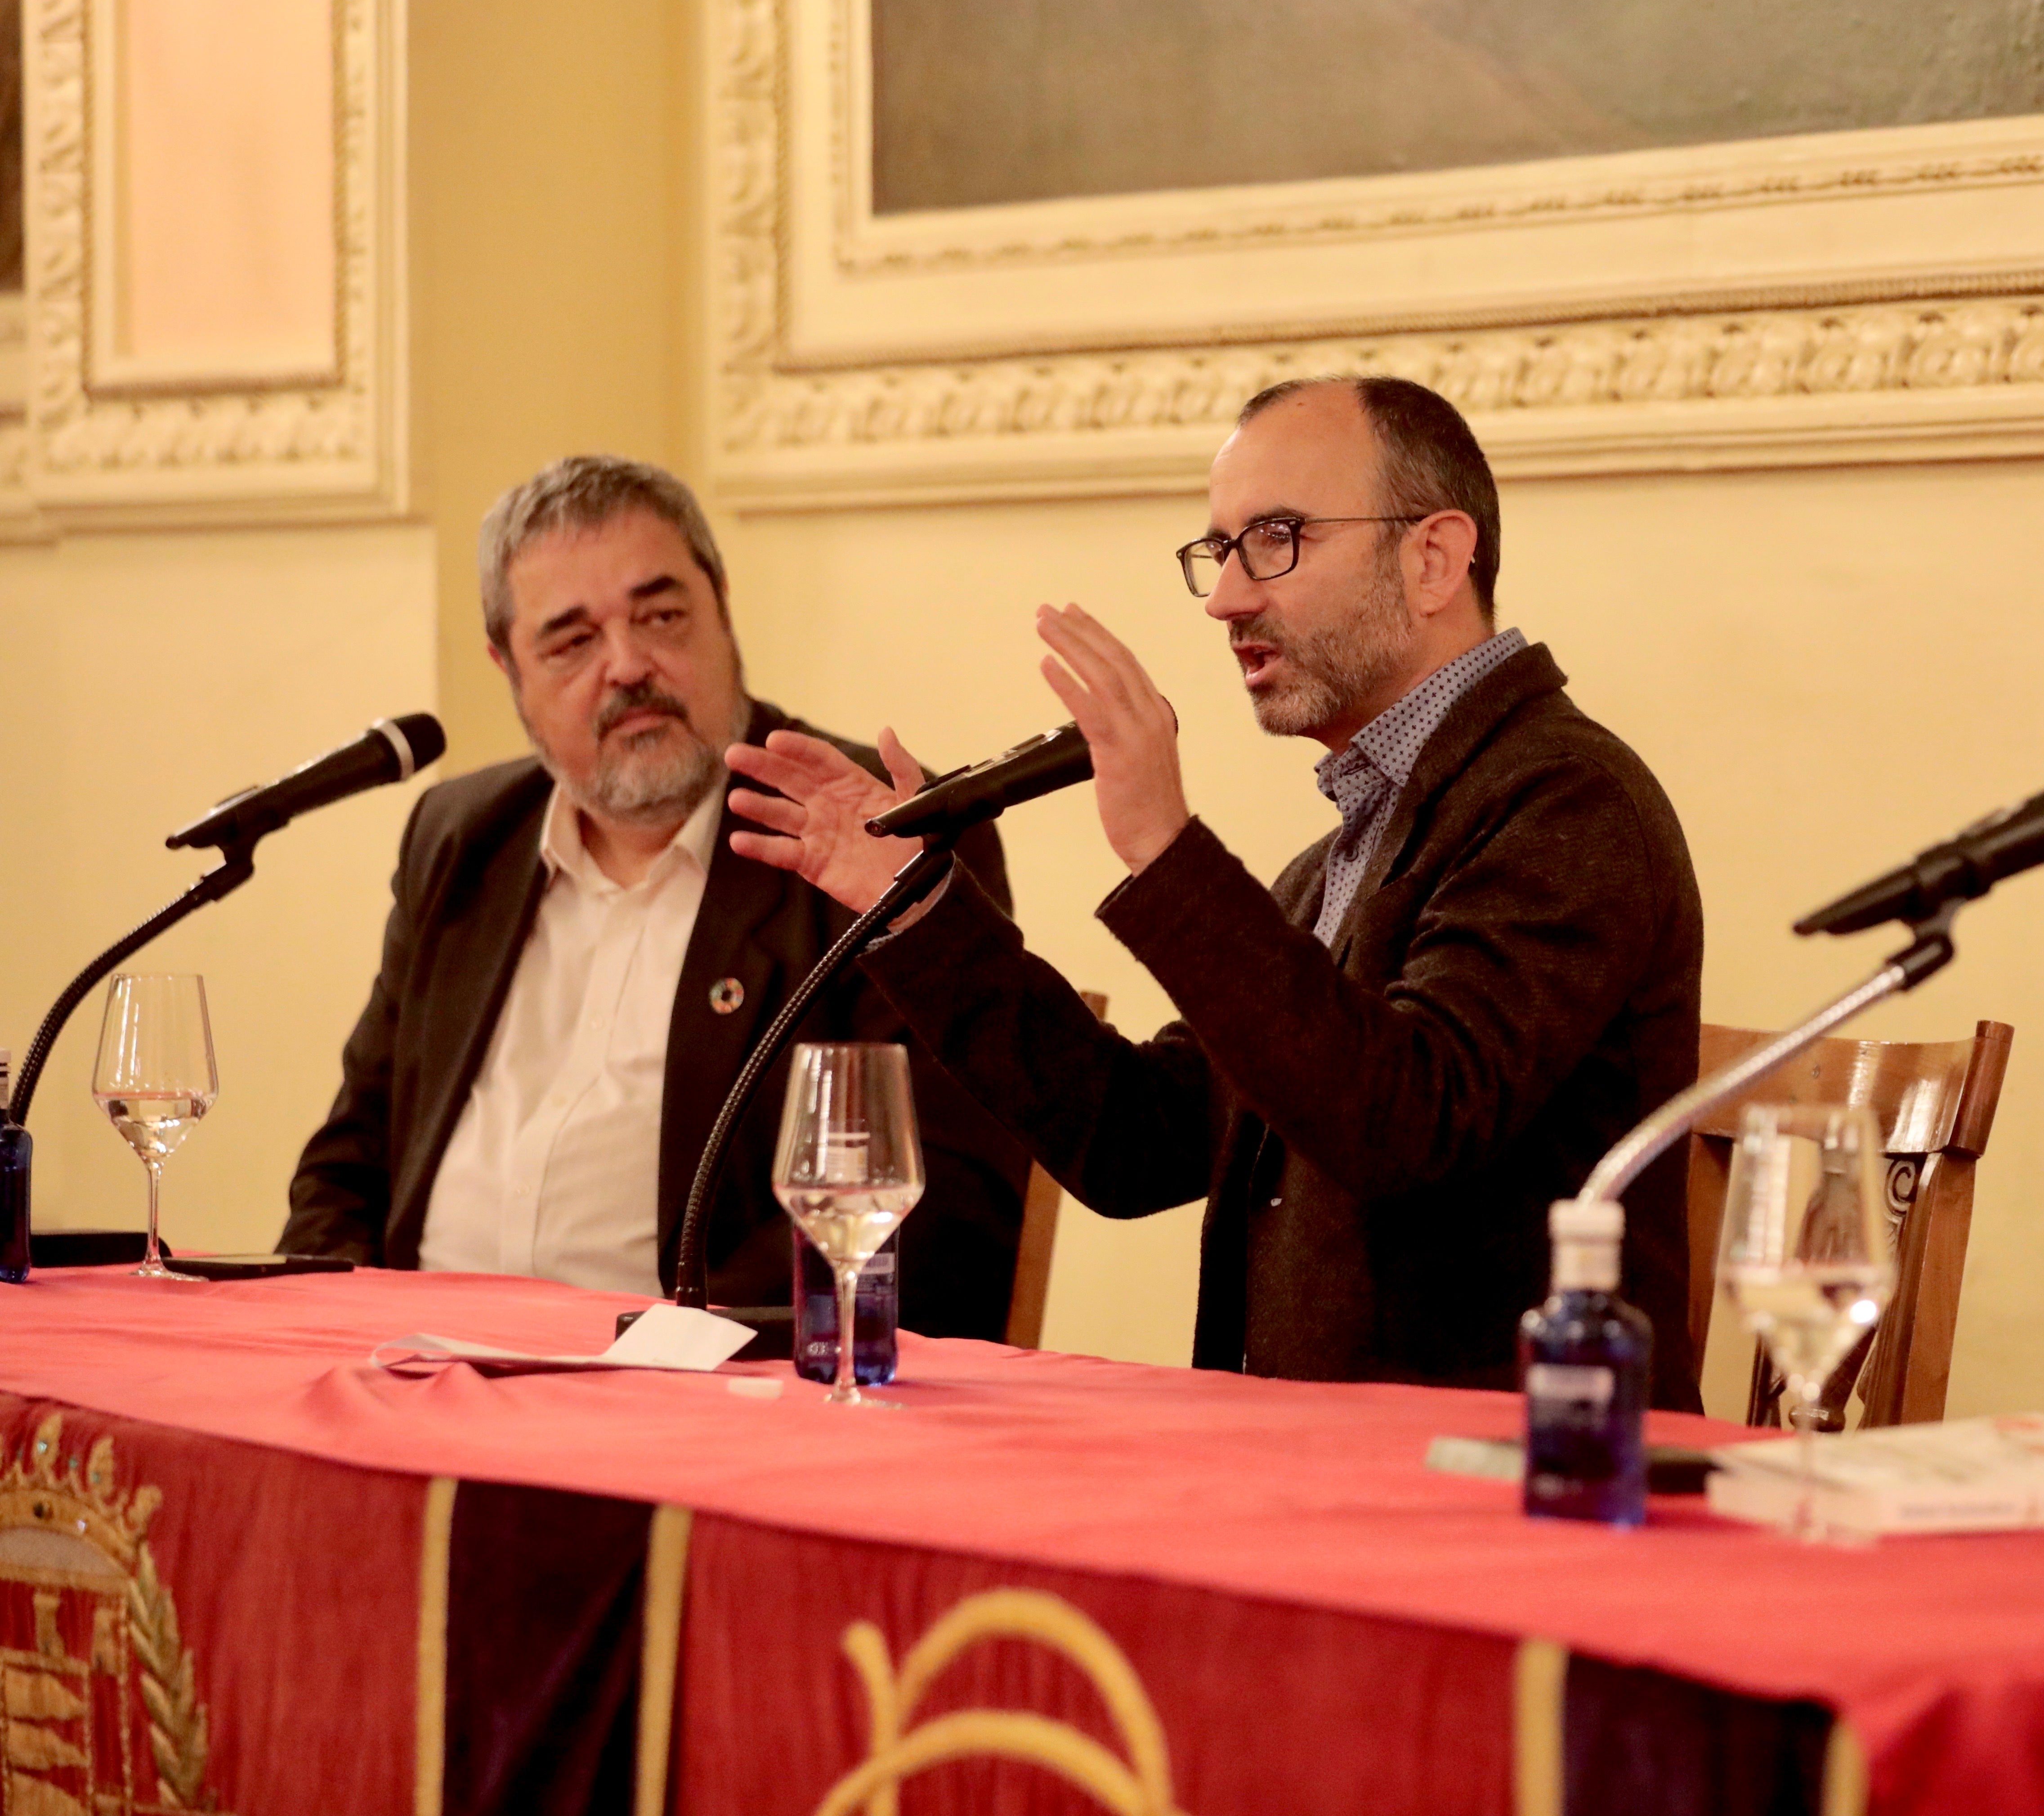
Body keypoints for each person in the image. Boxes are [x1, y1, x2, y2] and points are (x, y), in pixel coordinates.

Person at [726, 377, 1705, 1403]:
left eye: (1278, 538)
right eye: (1222, 550)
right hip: (1315, 1463)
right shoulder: (1344, 858)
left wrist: (1164, 842)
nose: (1227, 597)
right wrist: (921, 905)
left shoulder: (1566, 803)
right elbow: (1133, 1141)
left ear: (1433, 558)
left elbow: (1405, 1122)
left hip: (1513, 1482)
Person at [282, 456, 1033, 1331]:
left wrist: (660, 1348)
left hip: (701, 1400)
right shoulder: (461, 836)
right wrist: (324, 1327)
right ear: (507, 665)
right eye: (571, 641)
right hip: (416, 1376)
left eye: (663, 615)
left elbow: (934, 1210)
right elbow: (351, 1160)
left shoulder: (873, 829)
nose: (629, 664)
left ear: (722, 610)